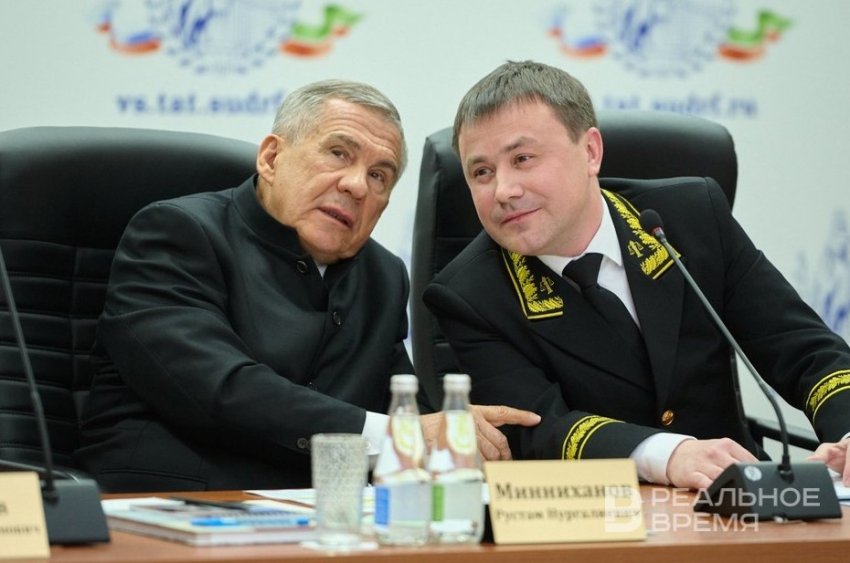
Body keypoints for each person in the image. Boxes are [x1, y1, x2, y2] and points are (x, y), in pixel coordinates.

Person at [76, 79, 539, 492]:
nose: (357, 186)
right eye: (338, 153)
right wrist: (401, 434)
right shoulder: (178, 233)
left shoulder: (382, 274)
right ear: (271, 158)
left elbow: (403, 404)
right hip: (177, 501)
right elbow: (220, 389)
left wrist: (462, 436)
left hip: (326, 515)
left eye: (379, 175)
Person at [423, 60, 850, 490]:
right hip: (597, 512)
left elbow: (804, 350)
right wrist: (667, 454)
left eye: (523, 159)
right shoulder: (468, 294)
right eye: (482, 172)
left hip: (744, 498)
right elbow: (536, 427)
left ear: (590, 152)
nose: (504, 191)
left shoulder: (692, 216)